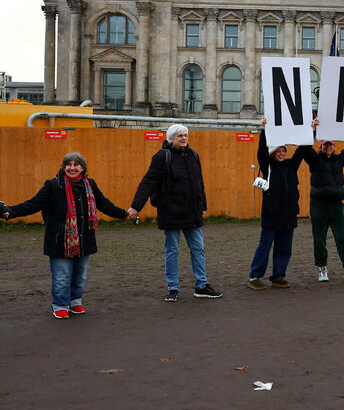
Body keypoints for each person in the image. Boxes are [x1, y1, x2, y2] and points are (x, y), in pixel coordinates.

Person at [2, 152, 131, 318]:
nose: (72, 168)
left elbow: (103, 203)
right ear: (63, 168)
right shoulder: (53, 185)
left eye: (76, 165)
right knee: (62, 277)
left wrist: (123, 214)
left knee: (79, 275)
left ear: (82, 168)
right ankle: (60, 305)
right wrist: (11, 212)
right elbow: (34, 204)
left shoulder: (89, 184)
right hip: (59, 239)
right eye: (68, 165)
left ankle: (75, 301)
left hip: (84, 239)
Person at [128, 124, 222, 301]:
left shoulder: (193, 155)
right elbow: (148, 182)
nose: (184, 138)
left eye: (186, 135)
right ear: (171, 138)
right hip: (170, 211)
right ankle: (173, 288)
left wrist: (203, 206)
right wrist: (136, 207)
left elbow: (199, 183)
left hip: (192, 211)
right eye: (180, 135)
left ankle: (201, 285)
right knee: (172, 250)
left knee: (198, 249)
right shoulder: (162, 156)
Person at [247, 118, 310, 290]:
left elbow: (302, 151)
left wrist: (310, 131)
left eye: (284, 151)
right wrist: (264, 130)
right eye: (278, 151)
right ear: (273, 153)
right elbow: (261, 150)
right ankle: (255, 276)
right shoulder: (267, 165)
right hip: (271, 214)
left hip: (289, 214)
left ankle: (278, 276)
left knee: (285, 247)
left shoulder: (291, 165)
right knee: (265, 246)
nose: (282, 153)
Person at [302, 118, 344, 283]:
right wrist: (312, 130)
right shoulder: (314, 160)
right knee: (319, 239)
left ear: (334, 147)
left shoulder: (339, 159)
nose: (328, 147)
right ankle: (322, 268)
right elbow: (305, 148)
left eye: (330, 145)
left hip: (336, 205)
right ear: (320, 146)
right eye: (325, 145)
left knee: (342, 237)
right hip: (318, 205)